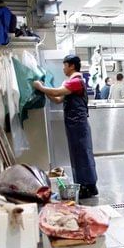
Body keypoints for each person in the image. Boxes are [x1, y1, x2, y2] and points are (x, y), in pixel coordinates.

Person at [33, 55, 98, 199]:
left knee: (83, 155)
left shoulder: (76, 82)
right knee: (77, 155)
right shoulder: (70, 83)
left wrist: (41, 87)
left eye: (65, 65)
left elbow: (57, 92)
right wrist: (45, 90)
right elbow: (57, 99)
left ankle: (89, 186)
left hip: (79, 124)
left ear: (72, 66)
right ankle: (83, 185)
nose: (63, 68)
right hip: (73, 124)